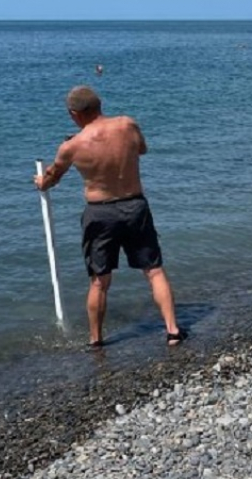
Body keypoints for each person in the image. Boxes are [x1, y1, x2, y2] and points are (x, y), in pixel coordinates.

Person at [34, 86, 186, 348]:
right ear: (99, 104)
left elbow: (50, 180)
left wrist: (40, 181)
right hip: (134, 205)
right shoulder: (127, 125)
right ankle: (172, 330)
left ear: (74, 114)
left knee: (99, 281)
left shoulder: (71, 146)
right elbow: (141, 149)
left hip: (100, 212)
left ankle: (96, 340)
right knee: (154, 271)